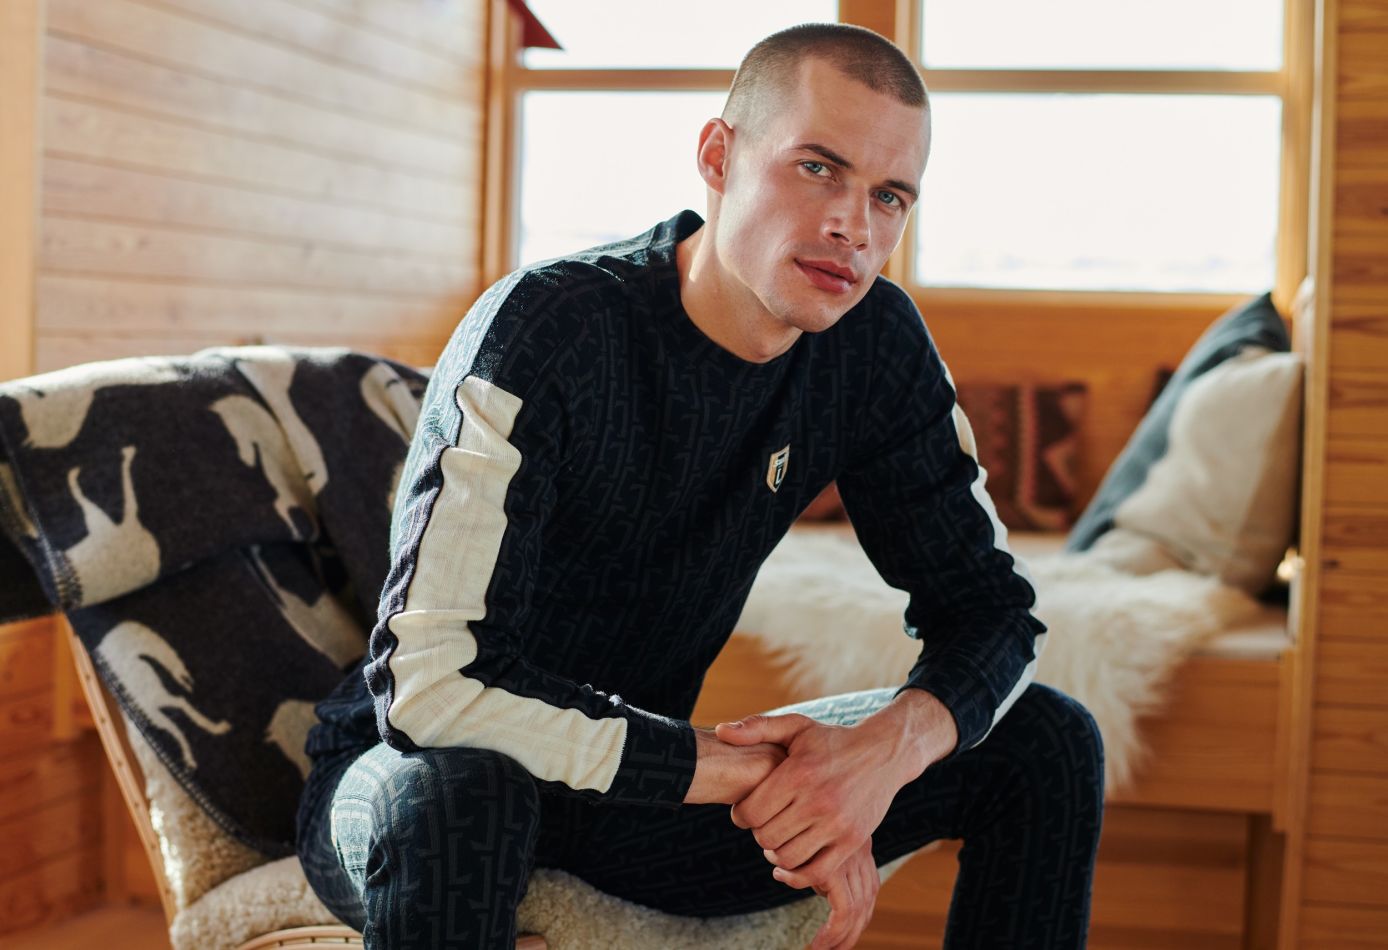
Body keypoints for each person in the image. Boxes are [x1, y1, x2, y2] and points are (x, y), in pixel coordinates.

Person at [296, 22, 1105, 950]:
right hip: (409, 769)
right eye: (818, 169)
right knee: (460, 793)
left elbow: (994, 614)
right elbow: (430, 687)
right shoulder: (547, 331)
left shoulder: (873, 344)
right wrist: (731, 770)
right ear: (719, 157)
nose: (854, 226)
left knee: (1046, 741)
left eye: (889, 196)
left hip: (633, 797)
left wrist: (874, 761)